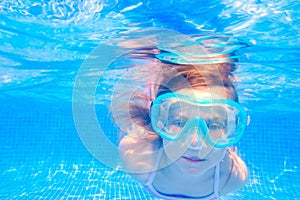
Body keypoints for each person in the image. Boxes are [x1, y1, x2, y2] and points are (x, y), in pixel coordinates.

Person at [115, 45, 249, 200]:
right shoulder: (137, 159)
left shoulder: (232, 177)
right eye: (179, 123)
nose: (195, 143)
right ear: (159, 120)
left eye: (213, 126)